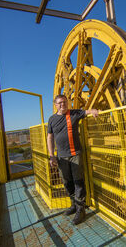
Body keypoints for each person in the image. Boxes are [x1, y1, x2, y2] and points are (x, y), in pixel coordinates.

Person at [47, 94, 99, 225]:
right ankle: (73, 205)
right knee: (67, 182)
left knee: (78, 181)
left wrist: (93, 111)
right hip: (61, 156)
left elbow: (86, 111)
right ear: (55, 104)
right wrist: (51, 155)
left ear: (67, 103)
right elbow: (50, 138)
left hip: (75, 153)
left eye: (64, 102)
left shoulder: (74, 113)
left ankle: (81, 210)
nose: (62, 104)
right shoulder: (52, 119)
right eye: (59, 103)